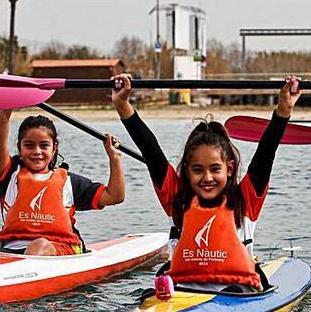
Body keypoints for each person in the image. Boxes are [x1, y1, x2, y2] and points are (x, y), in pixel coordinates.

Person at [112, 74, 301, 292]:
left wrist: (283, 110)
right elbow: (150, 149)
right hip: (182, 294)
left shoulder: (246, 200)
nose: (207, 178)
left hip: (237, 295)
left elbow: (266, 151)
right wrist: (122, 104)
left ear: (229, 169)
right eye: (197, 170)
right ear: (186, 171)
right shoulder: (176, 198)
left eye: (215, 169)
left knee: (236, 290)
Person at [0, 111, 124, 256]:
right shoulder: (9, 175)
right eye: (29, 145)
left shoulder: (70, 182)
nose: (37, 151)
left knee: (39, 246)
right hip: (11, 251)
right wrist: (6, 109)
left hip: (58, 248)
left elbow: (114, 196)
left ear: (54, 147)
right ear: (19, 147)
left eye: (44, 145)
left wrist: (114, 158)